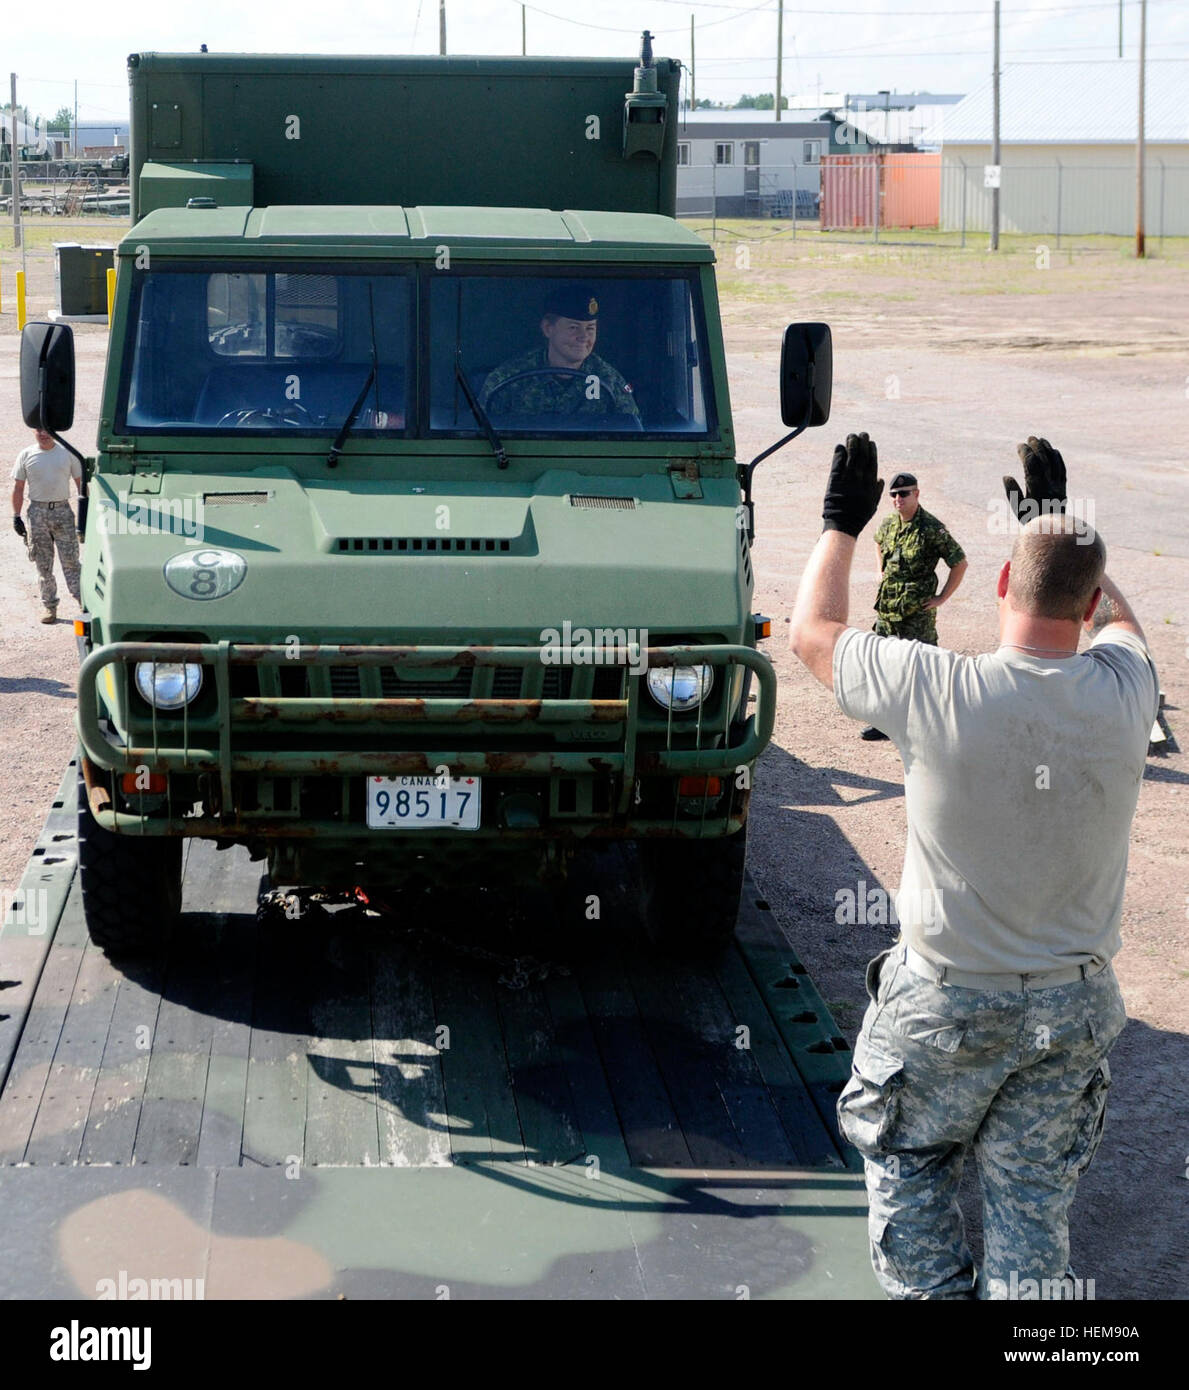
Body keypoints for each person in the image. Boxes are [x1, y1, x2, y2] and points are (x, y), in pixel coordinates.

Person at [788, 433, 1159, 1300]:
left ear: (997, 585)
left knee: (910, 1170)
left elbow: (811, 631)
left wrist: (840, 524)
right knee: (1033, 1208)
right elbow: (1123, 625)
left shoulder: (935, 687)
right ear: (1092, 597)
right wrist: (1057, 521)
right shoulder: (1126, 691)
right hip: (1071, 1006)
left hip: (947, 1004)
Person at [862, 470, 968, 741]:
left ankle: (930, 726)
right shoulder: (888, 523)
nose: (898, 499)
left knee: (924, 669)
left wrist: (942, 598)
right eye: (894, 495)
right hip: (887, 611)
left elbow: (959, 562)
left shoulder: (931, 528)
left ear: (917, 494)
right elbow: (877, 542)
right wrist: (879, 570)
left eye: (904, 493)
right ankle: (885, 724)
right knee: (885, 667)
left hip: (916, 615)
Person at [479, 287, 641, 426]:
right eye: (573, 327)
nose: (583, 336)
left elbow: (633, 433)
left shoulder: (609, 380)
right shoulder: (509, 378)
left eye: (590, 328)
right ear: (548, 328)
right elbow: (480, 433)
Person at [11, 428, 84, 624]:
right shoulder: (26, 455)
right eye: (39, 430)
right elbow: (18, 488)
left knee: (71, 562)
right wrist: (16, 516)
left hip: (62, 511)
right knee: (43, 564)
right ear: (34, 432)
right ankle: (49, 607)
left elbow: (81, 485)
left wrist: (85, 516)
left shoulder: (68, 453)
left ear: (54, 431)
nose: (43, 434)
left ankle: (84, 604)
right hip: (37, 513)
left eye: (47, 430)